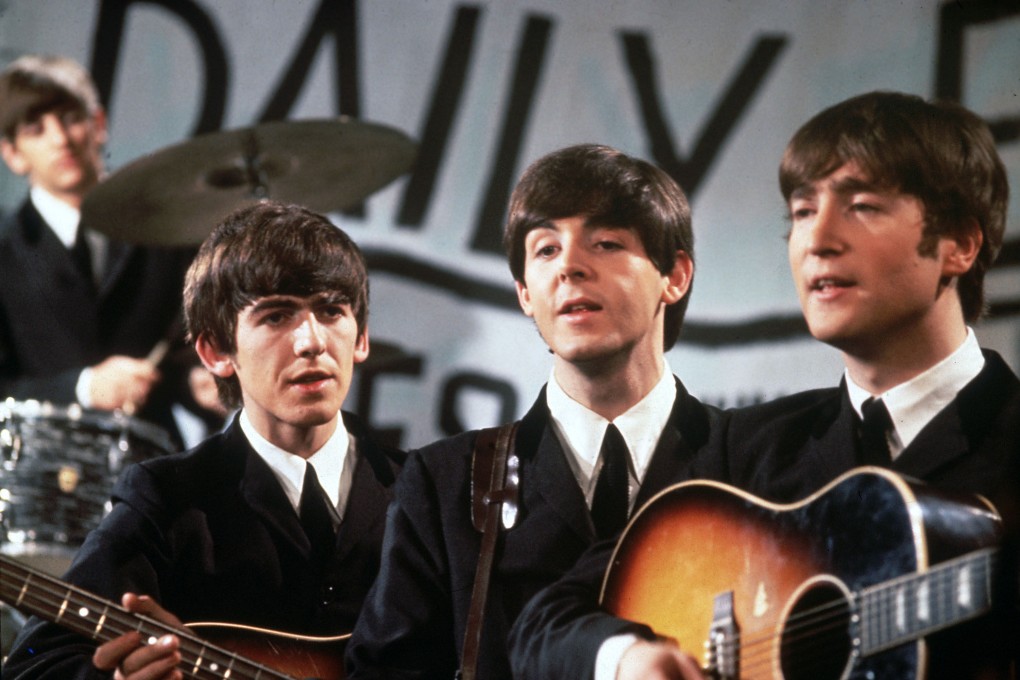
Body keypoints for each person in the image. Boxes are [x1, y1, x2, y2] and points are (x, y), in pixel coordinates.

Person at [508, 91, 1020, 680]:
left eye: (863, 206)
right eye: (801, 211)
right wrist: (628, 657)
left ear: (959, 244)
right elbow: (547, 621)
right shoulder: (749, 448)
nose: (817, 239)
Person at [344, 143, 725, 679]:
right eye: (545, 250)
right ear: (524, 293)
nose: (569, 266)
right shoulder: (443, 485)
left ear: (675, 275)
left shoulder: (749, 460)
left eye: (606, 242)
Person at [2, 200, 406, 678]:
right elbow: (32, 664)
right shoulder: (168, 497)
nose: (311, 341)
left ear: (361, 337)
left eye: (331, 310)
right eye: (277, 317)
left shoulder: (423, 490)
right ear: (215, 350)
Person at [0, 54, 220, 449]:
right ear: (12, 153)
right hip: (40, 472)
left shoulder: (164, 231)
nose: (60, 139)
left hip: (149, 462)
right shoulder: (4, 250)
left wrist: (197, 384)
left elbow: (182, 351)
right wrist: (84, 389)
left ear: (98, 124)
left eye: (70, 118)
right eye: (36, 129)